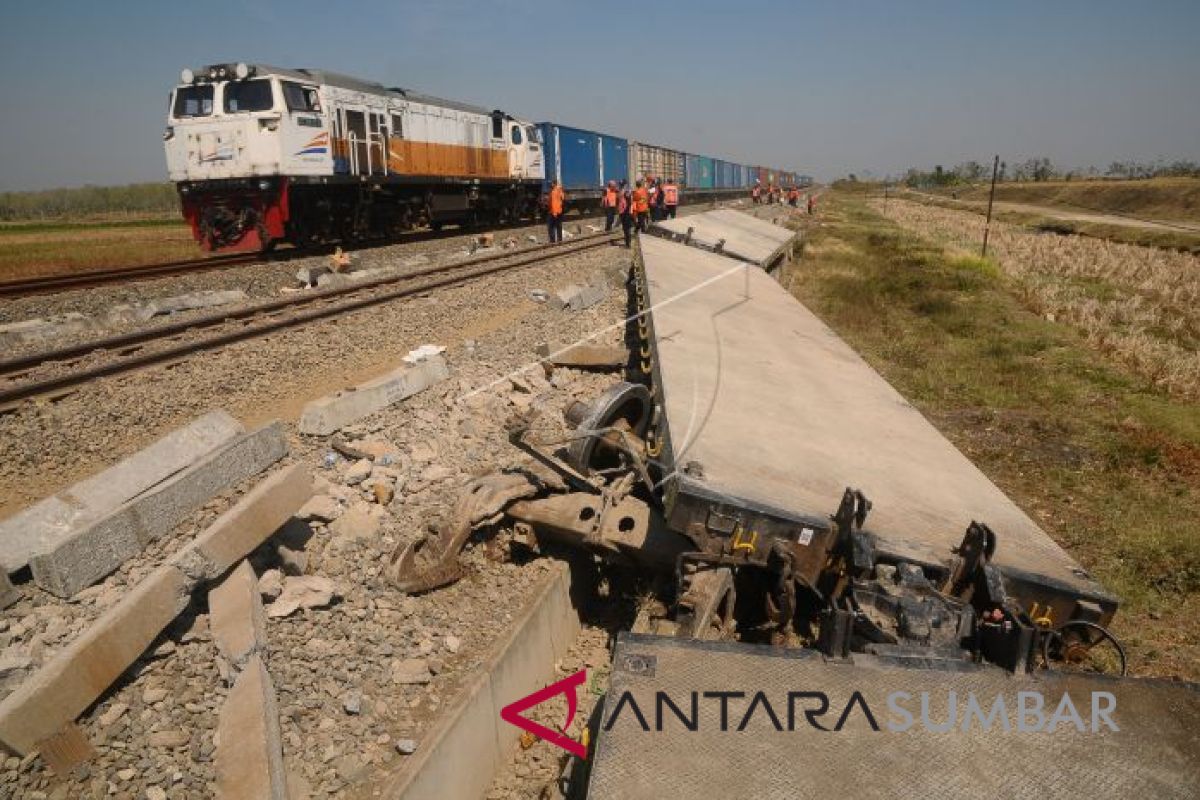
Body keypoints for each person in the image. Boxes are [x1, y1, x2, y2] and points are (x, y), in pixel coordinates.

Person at [618, 180, 634, 247]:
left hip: (626, 213)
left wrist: (627, 212)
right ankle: (627, 243)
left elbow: (629, 203)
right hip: (623, 212)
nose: (620, 186)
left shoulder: (626, 192)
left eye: (621, 184)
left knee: (626, 228)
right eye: (620, 184)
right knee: (625, 228)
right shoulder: (622, 191)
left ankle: (628, 244)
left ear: (624, 185)